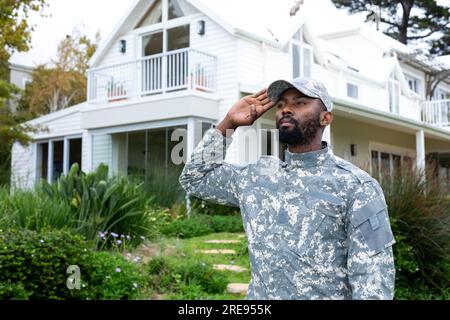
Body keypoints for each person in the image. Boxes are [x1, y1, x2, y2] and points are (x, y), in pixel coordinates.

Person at [179, 77, 396, 300]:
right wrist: (228, 124)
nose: (286, 110)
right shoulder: (257, 177)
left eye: (300, 103)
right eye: (281, 105)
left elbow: (373, 281)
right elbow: (195, 179)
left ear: (326, 117)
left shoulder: (356, 186)